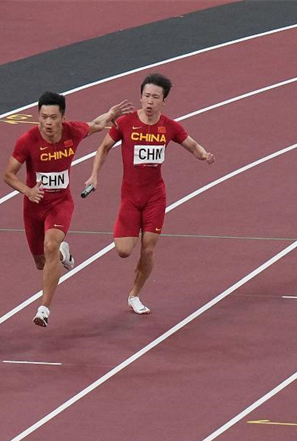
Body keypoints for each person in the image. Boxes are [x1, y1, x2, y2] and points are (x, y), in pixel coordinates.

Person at [85, 73, 215, 314]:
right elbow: (103, 148)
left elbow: (192, 145)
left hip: (155, 196)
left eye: (155, 97)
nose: (150, 101)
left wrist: (204, 155)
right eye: (146, 96)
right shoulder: (125, 123)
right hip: (130, 197)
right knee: (124, 251)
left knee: (148, 248)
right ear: (140, 97)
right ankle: (127, 236)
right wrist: (94, 175)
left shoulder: (169, 126)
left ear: (163, 101)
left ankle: (134, 294)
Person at [4, 92, 134, 327]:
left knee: (50, 244)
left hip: (60, 203)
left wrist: (111, 114)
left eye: (53, 117)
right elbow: (8, 174)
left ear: (63, 117)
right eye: (43, 117)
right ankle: (63, 254)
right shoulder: (27, 140)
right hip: (33, 205)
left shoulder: (72, 131)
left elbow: (95, 125)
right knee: (42, 263)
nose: (48, 123)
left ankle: (44, 308)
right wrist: (27, 190)